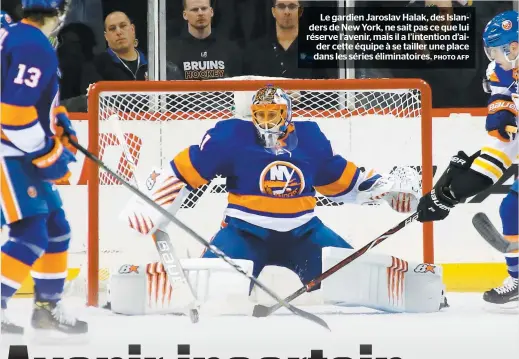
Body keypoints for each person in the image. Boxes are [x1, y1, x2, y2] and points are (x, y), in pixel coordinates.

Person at [116, 85, 447, 316]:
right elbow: (187, 170)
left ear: (287, 114)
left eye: (273, 115)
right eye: (260, 115)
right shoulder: (231, 137)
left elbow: (343, 181)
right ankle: (134, 284)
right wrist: (151, 202)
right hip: (244, 234)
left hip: (304, 235)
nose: (266, 122)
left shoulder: (311, 139)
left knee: (349, 280)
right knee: (213, 295)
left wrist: (388, 190)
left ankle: (420, 288)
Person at [416, 10, 518, 308]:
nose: (494, 56)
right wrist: (459, 187)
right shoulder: (500, 71)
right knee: (512, 207)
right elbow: (504, 122)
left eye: (498, 49)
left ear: (514, 46)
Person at [0, 0, 87, 336]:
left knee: (56, 229)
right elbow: (13, 114)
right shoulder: (34, 45)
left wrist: (55, 117)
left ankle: (47, 306)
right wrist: (48, 150)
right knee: (31, 232)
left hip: (17, 147)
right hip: (10, 151)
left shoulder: (18, 35)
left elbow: (24, 99)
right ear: (60, 12)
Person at [166, 0, 242, 80]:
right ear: (185, 15)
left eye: (204, 8)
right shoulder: (171, 50)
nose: (200, 13)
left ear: (211, 12)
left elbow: (239, 86)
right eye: (194, 10)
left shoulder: (230, 49)